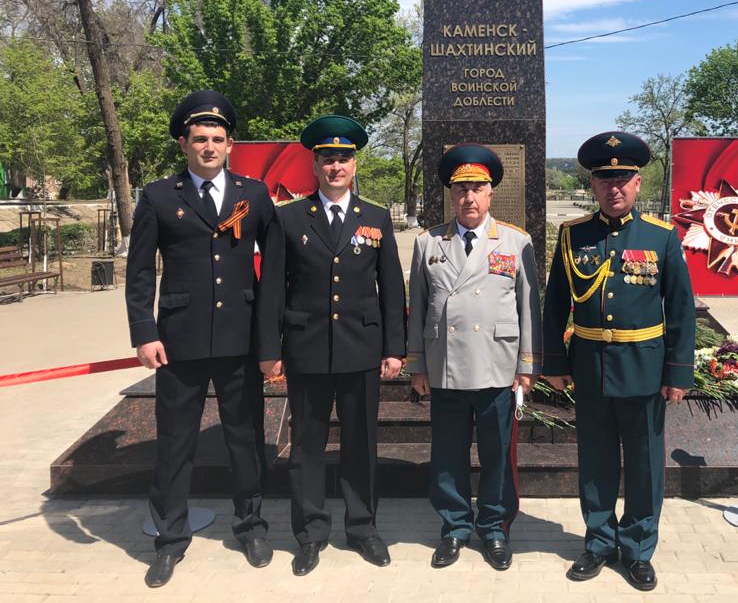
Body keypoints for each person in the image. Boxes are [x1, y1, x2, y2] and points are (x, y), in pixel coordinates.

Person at [125, 89, 277, 588]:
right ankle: (169, 539)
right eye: (199, 139)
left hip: (240, 338)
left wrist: (270, 341)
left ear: (230, 144)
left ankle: (251, 524)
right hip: (179, 339)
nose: (209, 147)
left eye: (217, 139)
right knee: (175, 442)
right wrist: (144, 333)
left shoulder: (253, 196)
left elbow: (273, 270)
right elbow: (141, 271)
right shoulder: (158, 196)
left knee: (245, 438)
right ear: (185, 145)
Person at [542, 131, 695, 592]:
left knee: (646, 464)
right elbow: (555, 304)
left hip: (645, 369)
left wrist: (677, 371)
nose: (614, 187)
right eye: (605, 178)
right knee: (596, 459)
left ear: (637, 183)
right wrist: (555, 360)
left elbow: (681, 307)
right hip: (589, 364)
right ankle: (598, 541)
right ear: (592, 184)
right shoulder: (573, 235)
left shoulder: (662, 237)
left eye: (623, 178)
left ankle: (638, 547)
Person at [256, 115, 406, 576]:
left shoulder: (376, 218)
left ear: (354, 164)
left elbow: (392, 288)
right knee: (307, 448)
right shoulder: (289, 217)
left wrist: (394, 348)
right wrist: (269, 348)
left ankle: (362, 528)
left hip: (361, 350)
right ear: (315, 165)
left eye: (343, 158)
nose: (335, 166)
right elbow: (273, 290)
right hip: (307, 348)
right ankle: (311, 533)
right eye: (327, 159)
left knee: (360, 446)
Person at [406, 144, 540, 571]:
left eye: (477, 188)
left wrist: (526, 365)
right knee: (448, 453)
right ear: (450, 193)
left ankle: (496, 527)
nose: (468, 197)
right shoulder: (428, 242)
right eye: (460, 188)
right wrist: (417, 364)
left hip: (497, 365)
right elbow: (418, 305)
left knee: (498, 453)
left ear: (491, 193)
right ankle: (454, 527)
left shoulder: (517, 242)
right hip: (445, 365)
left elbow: (528, 308)